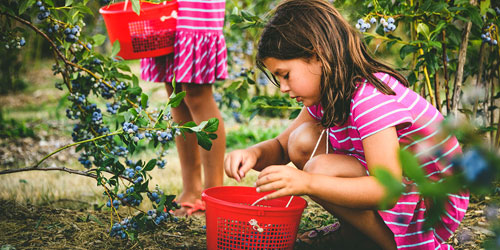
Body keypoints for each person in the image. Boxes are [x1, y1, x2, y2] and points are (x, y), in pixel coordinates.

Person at [224, 0, 469, 249]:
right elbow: (283, 147)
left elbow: (388, 190)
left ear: (318, 56)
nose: (284, 88)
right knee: (302, 142)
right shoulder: (328, 93)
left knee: (318, 170)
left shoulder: (369, 99)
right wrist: (252, 154)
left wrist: (306, 183)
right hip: (408, 186)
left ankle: (395, 244)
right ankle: (358, 234)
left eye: (285, 75)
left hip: (434, 203)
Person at [141, 0, 227, 216]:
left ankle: (213, 193)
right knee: (175, 90)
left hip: (194, 9)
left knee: (196, 92)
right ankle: (191, 188)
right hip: (167, 8)